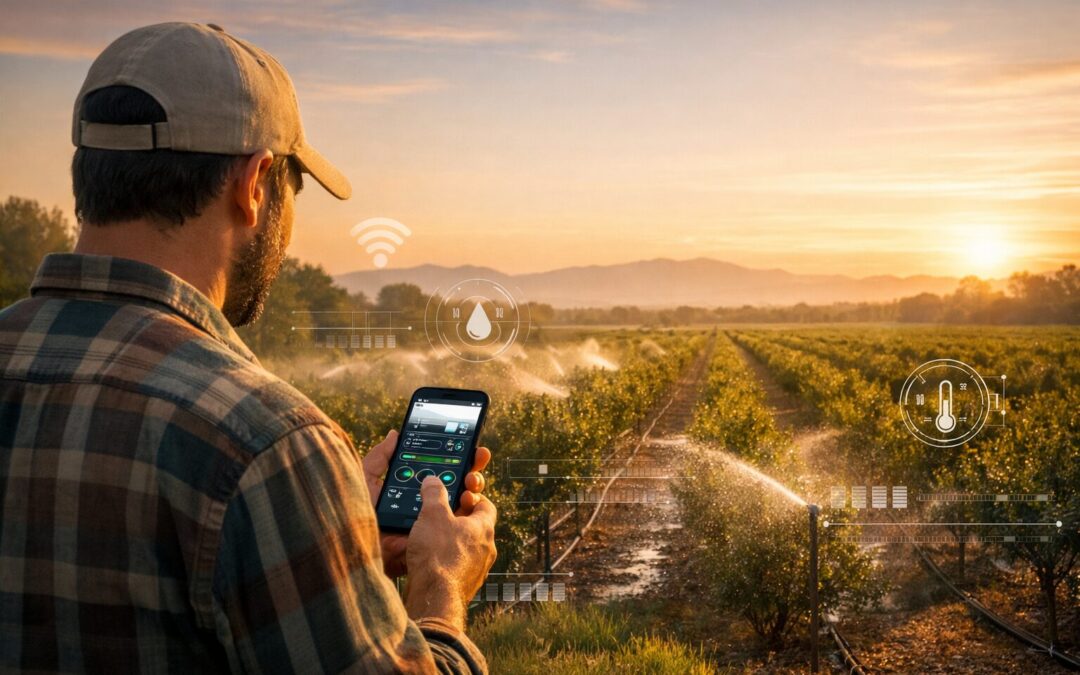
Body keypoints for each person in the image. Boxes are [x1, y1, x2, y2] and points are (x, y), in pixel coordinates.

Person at [0, 22, 497, 674]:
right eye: (292, 191)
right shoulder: (265, 441)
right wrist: (440, 588)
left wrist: (325, 541)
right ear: (256, 184)